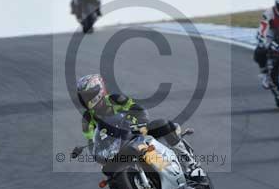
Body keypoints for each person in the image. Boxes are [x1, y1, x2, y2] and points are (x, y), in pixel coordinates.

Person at [71, 74, 205, 182]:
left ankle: (190, 165)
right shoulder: (87, 119)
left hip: (137, 132)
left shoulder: (116, 99)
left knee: (163, 124)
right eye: (83, 97)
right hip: (116, 148)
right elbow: (91, 142)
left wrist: (137, 122)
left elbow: (139, 110)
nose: (86, 99)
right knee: (111, 179)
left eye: (89, 95)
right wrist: (95, 153)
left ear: (99, 90)